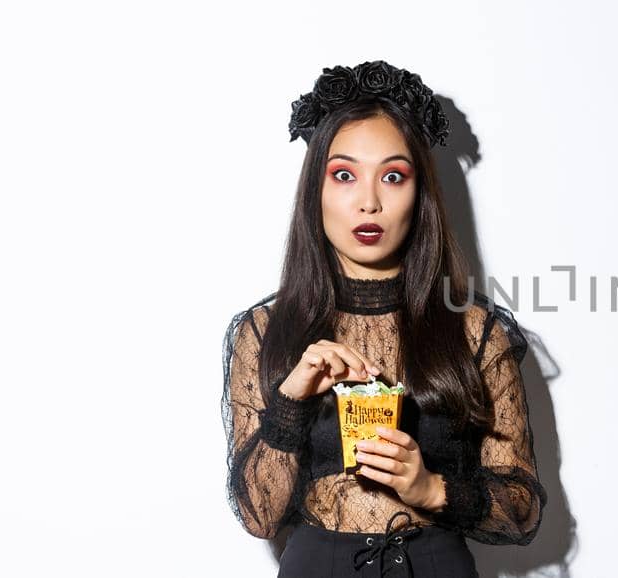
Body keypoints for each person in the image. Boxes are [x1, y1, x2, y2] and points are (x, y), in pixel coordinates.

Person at [220, 60, 546, 577]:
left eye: (392, 176)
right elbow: (259, 515)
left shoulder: (475, 331)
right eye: (344, 175)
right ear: (316, 192)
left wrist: (432, 489)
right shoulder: (265, 332)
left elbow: (522, 510)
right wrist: (292, 402)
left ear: (419, 196)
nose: (368, 201)